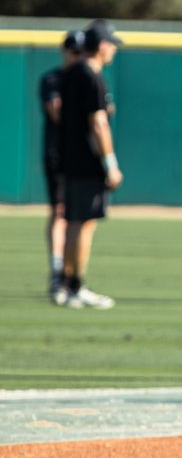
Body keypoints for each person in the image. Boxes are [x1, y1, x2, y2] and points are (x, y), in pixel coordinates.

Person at [58, 19, 124, 309]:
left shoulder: (71, 73)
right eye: (111, 45)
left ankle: (67, 284)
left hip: (69, 158)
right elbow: (98, 122)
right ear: (101, 46)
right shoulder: (91, 76)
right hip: (88, 161)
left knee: (73, 222)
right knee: (85, 225)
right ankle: (77, 286)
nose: (114, 51)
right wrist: (110, 163)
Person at [39, 29, 85, 304]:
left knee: (78, 216)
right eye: (73, 51)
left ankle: (72, 277)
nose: (76, 56)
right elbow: (57, 113)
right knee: (59, 211)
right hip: (57, 154)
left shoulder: (88, 79)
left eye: (81, 51)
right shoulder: (54, 79)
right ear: (65, 51)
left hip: (80, 157)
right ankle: (57, 271)